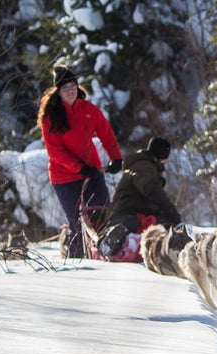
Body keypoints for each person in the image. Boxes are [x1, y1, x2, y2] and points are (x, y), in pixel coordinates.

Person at [37, 65, 123, 258]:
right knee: (77, 221)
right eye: (65, 88)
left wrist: (116, 158)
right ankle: (78, 263)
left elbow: (106, 133)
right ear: (58, 92)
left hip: (92, 170)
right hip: (64, 178)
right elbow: (55, 152)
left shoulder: (89, 109)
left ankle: (109, 255)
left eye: (73, 86)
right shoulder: (51, 117)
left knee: (103, 215)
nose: (71, 91)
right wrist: (80, 168)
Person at [97, 137, 183, 257]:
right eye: (165, 157)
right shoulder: (143, 167)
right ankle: (110, 241)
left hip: (139, 209)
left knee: (162, 223)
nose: (166, 161)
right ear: (161, 156)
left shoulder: (148, 167)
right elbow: (153, 191)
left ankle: (163, 245)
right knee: (130, 223)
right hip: (124, 210)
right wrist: (174, 215)